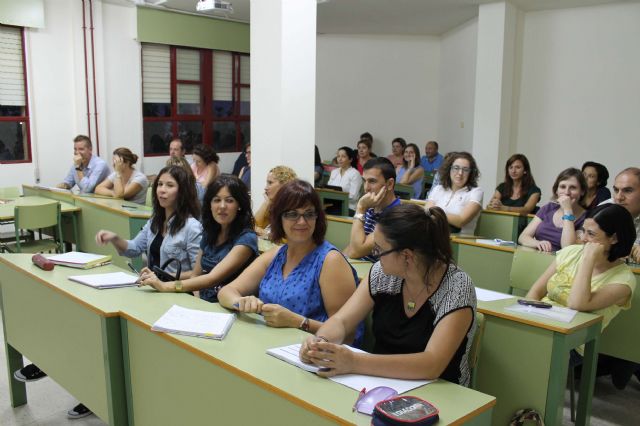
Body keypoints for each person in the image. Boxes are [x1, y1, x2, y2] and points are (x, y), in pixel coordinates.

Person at [13, 165, 202, 420]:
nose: (162, 191)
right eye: (160, 185)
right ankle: (91, 392)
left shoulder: (192, 227)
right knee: (95, 323)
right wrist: (115, 238)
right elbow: (134, 248)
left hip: (174, 299)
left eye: (170, 185)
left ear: (183, 191)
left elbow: (199, 275)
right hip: (151, 293)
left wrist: (163, 280)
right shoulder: (157, 221)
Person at [300, 204, 477, 385]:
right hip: (380, 381)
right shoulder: (382, 273)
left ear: (407, 256)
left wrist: (354, 361)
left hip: (442, 392)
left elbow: (431, 364)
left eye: (378, 250)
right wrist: (321, 343)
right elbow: (342, 321)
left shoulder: (457, 287)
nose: (375, 256)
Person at [218, 180, 363, 344]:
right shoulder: (276, 255)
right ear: (279, 218)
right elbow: (226, 291)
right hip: (269, 345)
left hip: (313, 355)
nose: (302, 222)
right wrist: (240, 302)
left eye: (309, 214)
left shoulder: (330, 261)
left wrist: (299, 322)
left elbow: (348, 334)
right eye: (292, 214)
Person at [525, 204, 636, 386]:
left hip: (571, 343)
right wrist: (526, 319)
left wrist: (588, 260)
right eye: (583, 231)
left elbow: (576, 303)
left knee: (522, 355)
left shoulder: (624, 280)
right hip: (540, 323)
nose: (582, 239)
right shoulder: (570, 253)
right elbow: (536, 291)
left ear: (614, 238)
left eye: (591, 234)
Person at [138, 174, 258, 302]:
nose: (222, 206)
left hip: (229, 306)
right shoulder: (210, 232)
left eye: (229, 200)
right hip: (204, 302)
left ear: (239, 205)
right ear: (210, 205)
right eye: (216, 200)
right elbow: (196, 274)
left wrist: (165, 286)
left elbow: (212, 278)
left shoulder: (246, 239)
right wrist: (196, 301)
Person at [344, 157, 400, 261]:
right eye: (364, 181)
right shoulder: (370, 208)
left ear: (389, 184)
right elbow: (351, 246)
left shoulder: (397, 216)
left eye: (372, 181)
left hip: (375, 274)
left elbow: (355, 251)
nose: (366, 188)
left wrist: (360, 208)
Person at [519, 168, 587, 252]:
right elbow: (523, 237)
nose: (567, 192)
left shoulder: (586, 218)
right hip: (536, 257)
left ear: (582, 191)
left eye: (573, 188)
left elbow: (568, 248)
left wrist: (567, 210)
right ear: (556, 190)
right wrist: (537, 243)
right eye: (562, 187)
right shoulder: (548, 208)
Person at [425, 151, 483, 235]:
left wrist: (435, 213)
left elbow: (461, 221)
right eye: (456, 168)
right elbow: (427, 212)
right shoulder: (438, 189)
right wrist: (433, 213)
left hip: (460, 242)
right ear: (449, 169)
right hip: (434, 235)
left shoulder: (476, 192)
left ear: (471, 173)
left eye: (465, 169)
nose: (460, 173)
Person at [254, 165, 297, 236]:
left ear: (284, 185)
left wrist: (265, 233)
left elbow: (289, 237)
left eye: (270, 183)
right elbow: (253, 227)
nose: (265, 188)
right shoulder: (273, 204)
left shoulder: (294, 206)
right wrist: (266, 203)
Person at [611, 168, 640, 263]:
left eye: (627, 190)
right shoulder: (606, 209)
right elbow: (583, 241)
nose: (619, 197)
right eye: (616, 190)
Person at [327, 146, 362, 215]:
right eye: (338, 156)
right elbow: (328, 189)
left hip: (348, 207)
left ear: (350, 159)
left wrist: (336, 196)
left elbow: (353, 196)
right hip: (332, 205)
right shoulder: (334, 172)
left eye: (343, 156)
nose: (340, 159)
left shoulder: (355, 173)